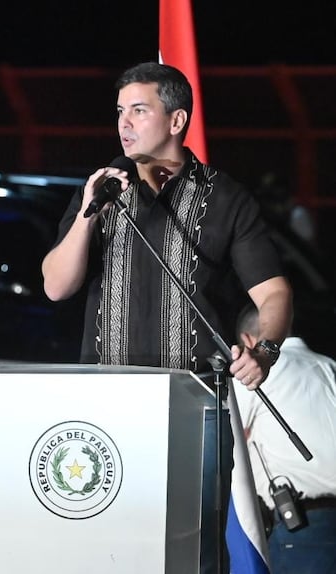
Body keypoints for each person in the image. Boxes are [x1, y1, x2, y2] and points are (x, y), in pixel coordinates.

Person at [41, 62, 293, 572]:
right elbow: (55, 285)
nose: (124, 124)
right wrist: (88, 212)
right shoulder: (102, 190)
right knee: (110, 548)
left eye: (139, 110)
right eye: (119, 112)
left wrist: (265, 349)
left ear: (176, 121)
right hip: (106, 405)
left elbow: (274, 294)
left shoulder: (226, 198)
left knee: (193, 549)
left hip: (194, 407)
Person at [233, 304, 336, 573]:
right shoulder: (329, 367)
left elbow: (226, 440)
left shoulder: (253, 375)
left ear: (247, 340)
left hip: (304, 529)